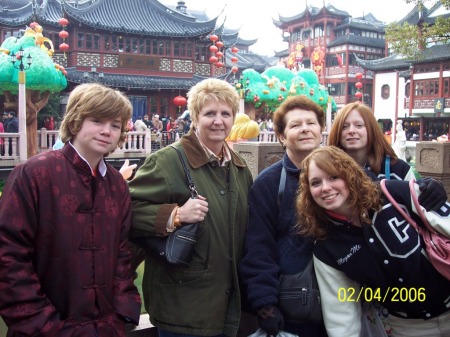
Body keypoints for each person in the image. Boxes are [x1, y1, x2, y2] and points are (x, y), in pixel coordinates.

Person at [0, 83, 141, 336]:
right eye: (97, 120)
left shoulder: (117, 184)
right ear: (76, 121)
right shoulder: (35, 173)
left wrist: (123, 310)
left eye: (115, 125)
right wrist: (43, 324)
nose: (107, 131)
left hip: (107, 326)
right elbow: (8, 256)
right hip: (46, 328)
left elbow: (121, 254)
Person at [128, 78, 253, 337]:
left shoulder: (238, 166)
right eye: (210, 113)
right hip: (182, 307)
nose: (218, 121)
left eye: (225, 114)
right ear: (195, 117)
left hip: (227, 304)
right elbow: (129, 210)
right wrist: (175, 215)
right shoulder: (166, 162)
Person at [296, 146, 450, 337]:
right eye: (316, 183)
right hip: (406, 327)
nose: (326, 188)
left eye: (333, 177)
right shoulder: (327, 246)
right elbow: (341, 314)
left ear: (349, 174)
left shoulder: (394, 194)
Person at [239, 95, 328, 337]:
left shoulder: (341, 174)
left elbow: (375, 194)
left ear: (322, 129)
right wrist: (265, 304)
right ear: (281, 136)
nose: (305, 129)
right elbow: (259, 247)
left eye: (311, 123)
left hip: (342, 299)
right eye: (295, 125)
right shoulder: (268, 184)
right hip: (292, 305)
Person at [328, 102, 415, 181]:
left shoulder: (399, 170)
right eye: (344, 127)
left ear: (372, 129)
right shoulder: (327, 169)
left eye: (359, 125)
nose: (351, 131)